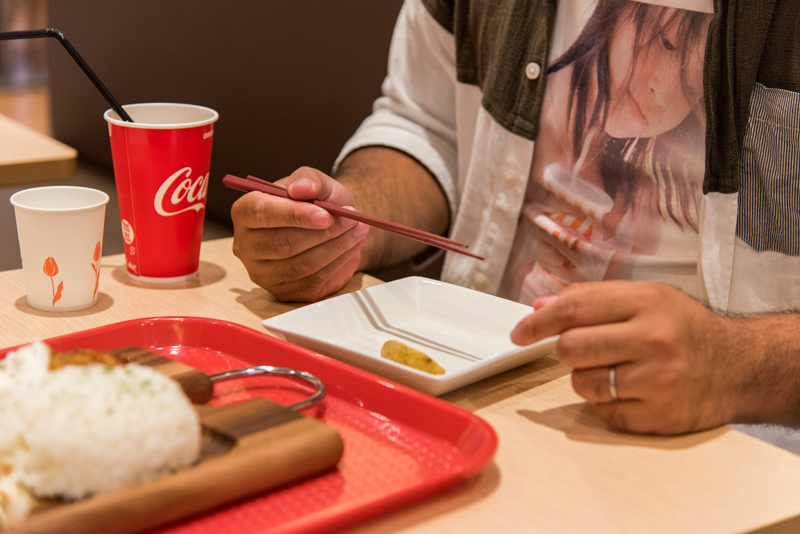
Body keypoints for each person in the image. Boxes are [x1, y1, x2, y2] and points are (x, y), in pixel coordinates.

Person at [231, 0, 800, 438]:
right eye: (662, 43)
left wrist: (737, 362)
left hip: (736, 450)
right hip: (471, 378)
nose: (655, 84)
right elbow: (429, 124)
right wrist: (348, 223)